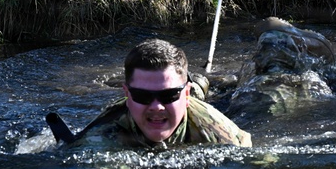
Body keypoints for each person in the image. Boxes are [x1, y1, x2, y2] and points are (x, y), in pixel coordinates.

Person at [50, 38, 251, 149]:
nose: (156, 106)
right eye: (142, 95)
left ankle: (197, 83)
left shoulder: (224, 136)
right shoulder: (99, 136)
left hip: (191, 107)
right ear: (127, 95)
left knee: (202, 87)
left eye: (168, 95)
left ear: (184, 94)